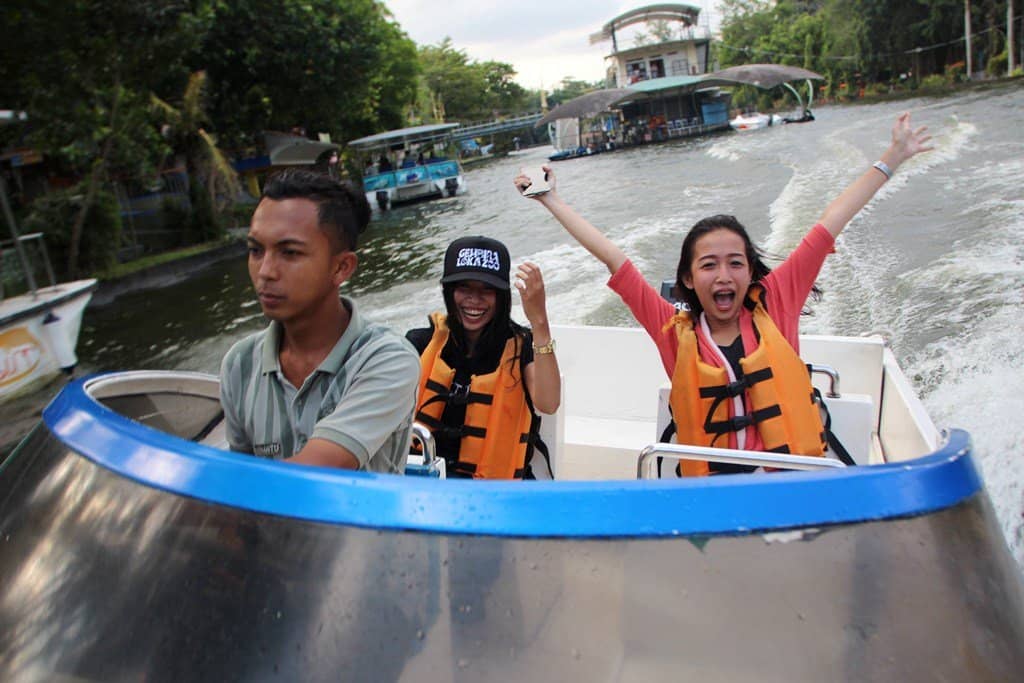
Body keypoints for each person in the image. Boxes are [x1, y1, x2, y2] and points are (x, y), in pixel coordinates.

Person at [516, 112, 932, 476]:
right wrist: (550, 199)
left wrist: (892, 157)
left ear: (751, 272)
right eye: (708, 265)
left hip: (791, 482)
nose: (723, 275)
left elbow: (830, 222)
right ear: (689, 278)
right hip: (714, 496)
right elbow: (614, 260)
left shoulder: (778, 299)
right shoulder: (672, 332)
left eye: (735, 263)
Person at [220, 169, 420, 472]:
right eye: (255, 250)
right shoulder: (240, 364)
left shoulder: (386, 359)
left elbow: (315, 476)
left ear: (341, 267)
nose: (265, 272)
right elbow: (240, 476)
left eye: (289, 252)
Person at [406, 236, 561, 479]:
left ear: (501, 296)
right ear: (449, 291)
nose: (474, 299)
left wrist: (539, 320)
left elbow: (549, 403)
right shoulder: (420, 343)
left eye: (487, 289)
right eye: (464, 287)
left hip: (496, 494)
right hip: (425, 486)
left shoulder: (521, 348)